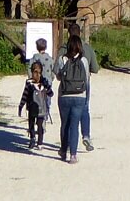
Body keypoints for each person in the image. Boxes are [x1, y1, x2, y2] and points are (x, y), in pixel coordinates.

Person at [55, 34, 91, 164]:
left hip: (64, 95)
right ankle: (73, 155)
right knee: (74, 126)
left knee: (65, 124)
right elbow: (86, 79)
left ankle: (64, 150)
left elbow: (59, 77)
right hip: (79, 96)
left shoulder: (62, 59)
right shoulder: (84, 61)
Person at [66, 23, 98, 150]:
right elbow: (95, 68)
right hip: (84, 83)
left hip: (67, 85)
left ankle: (69, 142)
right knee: (84, 108)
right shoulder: (87, 48)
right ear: (80, 33)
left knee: (68, 113)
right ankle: (86, 135)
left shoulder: (64, 48)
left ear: (68, 33)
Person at [17, 60, 52, 149]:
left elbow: (51, 94)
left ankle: (40, 142)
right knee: (31, 124)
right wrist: (21, 106)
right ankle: (32, 138)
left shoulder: (44, 82)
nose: (37, 75)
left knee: (40, 125)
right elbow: (24, 95)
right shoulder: (29, 83)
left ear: (41, 72)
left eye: (39, 72)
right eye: (35, 72)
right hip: (31, 107)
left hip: (41, 108)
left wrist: (46, 87)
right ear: (31, 72)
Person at [25, 37, 56, 124]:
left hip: (36, 82)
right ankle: (45, 116)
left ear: (37, 47)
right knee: (47, 99)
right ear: (46, 47)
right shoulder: (50, 58)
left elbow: (29, 69)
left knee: (36, 99)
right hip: (47, 82)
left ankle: (36, 114)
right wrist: (51, 79)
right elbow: (53, 71)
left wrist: (32, 78)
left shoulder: (34, 58)